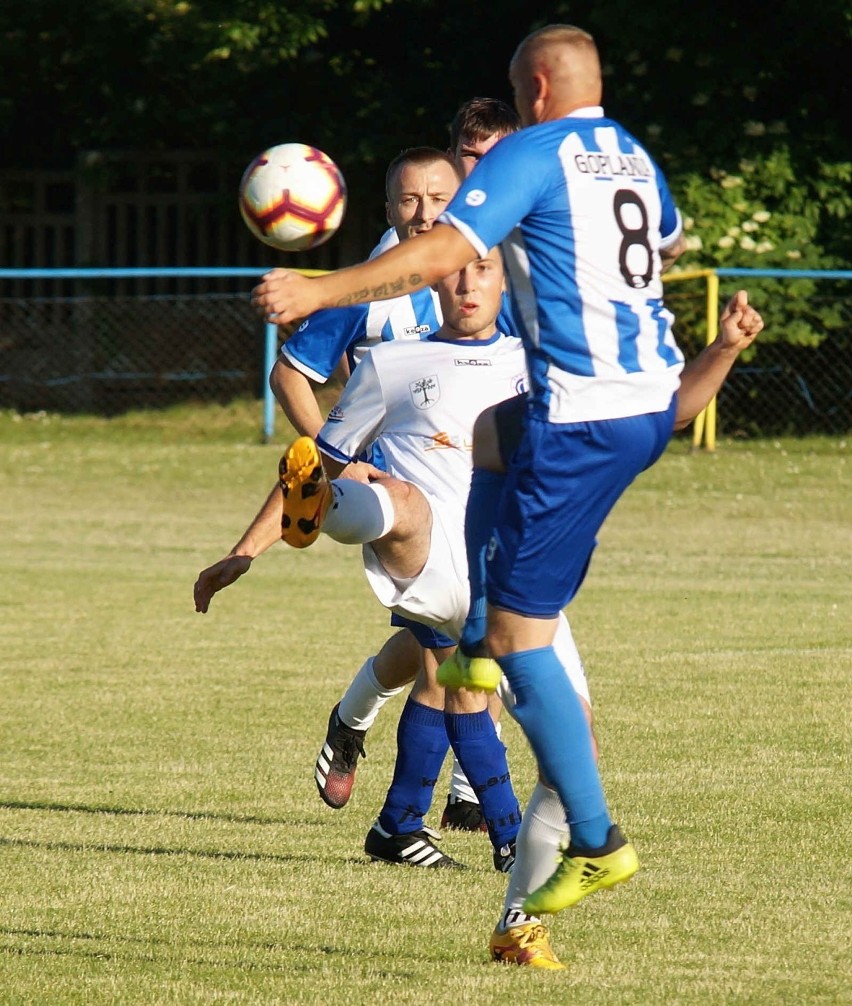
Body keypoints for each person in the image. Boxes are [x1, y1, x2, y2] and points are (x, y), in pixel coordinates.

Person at [246, 20, 721, 957]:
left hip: (577, 416)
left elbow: (432, 253)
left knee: (513, 641)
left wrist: (316, 288)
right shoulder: (628, 153)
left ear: (537, 88)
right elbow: (660, 246)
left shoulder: (536, 150)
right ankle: (457, 621)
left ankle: (595, 840)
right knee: (487, 438)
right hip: (638, 399)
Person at [196, 247, 591, 875]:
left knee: (485, 698)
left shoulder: (534, 359)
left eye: (480, 269)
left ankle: (398, 825)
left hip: (508, 556)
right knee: (397, 503)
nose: (465, 281)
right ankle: (328, 511)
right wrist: (249, 548)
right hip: (424, 545)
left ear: (501, 279)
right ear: (433, 277)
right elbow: (321, 449)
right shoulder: (390, 359)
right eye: (453, 268)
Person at [271, 104, 522, 830]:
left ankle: (356, 726)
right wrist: (340, 465)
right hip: (402, 494)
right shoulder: (388, 268)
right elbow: (294, 373)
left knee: (446, 644)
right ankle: (451, 810)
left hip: (479, 481)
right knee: (464, 644)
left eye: (497, 158)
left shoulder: (500, 256)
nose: (483, 171)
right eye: (472, 156)